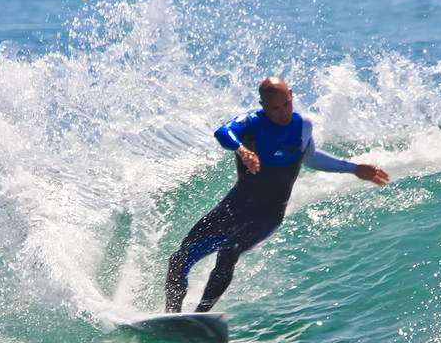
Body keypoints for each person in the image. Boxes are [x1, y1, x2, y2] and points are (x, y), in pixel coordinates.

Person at [165, 77, 389, 313]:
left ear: (291, 96)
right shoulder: (252, 123)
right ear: (262, 104)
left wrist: (354, 168)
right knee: (179, 258)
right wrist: (241, 150)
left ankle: (201, 316)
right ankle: (172, 316)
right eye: (274, 108)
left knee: (228, 251)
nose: (282, 112)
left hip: (268, 213)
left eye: (286, 105)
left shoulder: (303, 126)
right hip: (236, 205)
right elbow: (223, 132)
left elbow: (311, 158)